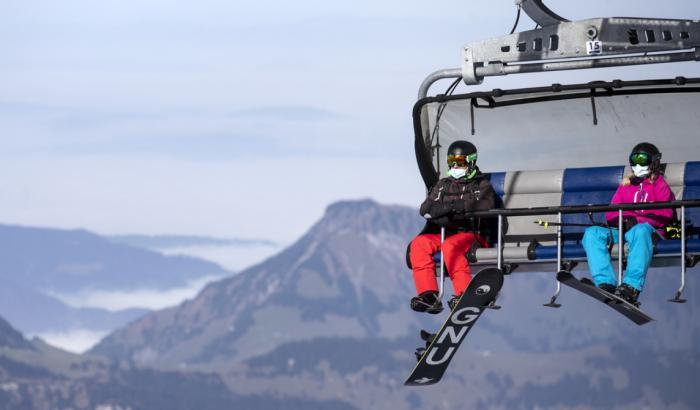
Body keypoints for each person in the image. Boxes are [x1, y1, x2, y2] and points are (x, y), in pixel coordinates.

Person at [582, 142, 675, 305]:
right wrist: (624, 220)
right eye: (634, 160)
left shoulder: (660, 185)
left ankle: (631, 287)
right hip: (623, 230)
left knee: (639, 231)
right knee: (592, 234)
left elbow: (666, 213)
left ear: (653, 162)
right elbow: (611, 213)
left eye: (642, 160)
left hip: (649, 232)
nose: (638, 164)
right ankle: (606, 283)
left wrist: (638, 220)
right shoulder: (626, 186)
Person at [409, 140, 496, 313]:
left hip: (473, 234)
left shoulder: (480, 185)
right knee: (419, 244)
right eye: (452, 161)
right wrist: (451, 207)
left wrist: (453, 209)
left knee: (451, 246)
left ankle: (464, 293)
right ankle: (429, 294)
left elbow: (485, 205)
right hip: (446, 233)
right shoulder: (443, 184)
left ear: (471, 162)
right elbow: (426, 209)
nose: (455, 166)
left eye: (460, 162)